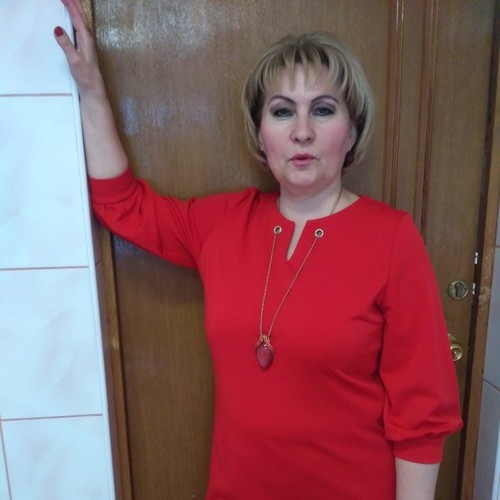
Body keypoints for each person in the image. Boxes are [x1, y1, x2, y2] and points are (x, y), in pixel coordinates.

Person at [54, 1, 462, 498]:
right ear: (260, 134)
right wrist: (92, 92)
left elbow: (422, 412)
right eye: (282, 111)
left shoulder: (391, 239)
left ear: (352, 131)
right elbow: (122, 206)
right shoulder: (224, 224)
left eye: (323, 110)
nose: (302, 131)